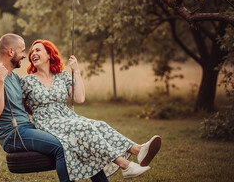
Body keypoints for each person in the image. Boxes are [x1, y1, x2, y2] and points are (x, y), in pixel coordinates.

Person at [20, 39, 162, 181]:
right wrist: (36, 110)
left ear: (50, 55)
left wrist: (76, 71)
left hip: (67, 117)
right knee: (85, 126)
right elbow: (22, 105)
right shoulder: (27, 81)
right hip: (47, 122)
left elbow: (80, 98)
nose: (33, 53)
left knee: (100, 125)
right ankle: (125, 165)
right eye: (32, 52)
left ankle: (138, 149)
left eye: (38, 50)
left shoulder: (62, 76)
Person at [0, 33, 110, 182]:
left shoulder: (15, 77)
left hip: (28, 127)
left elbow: (19, 106)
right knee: (63, 147)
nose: (25, 56)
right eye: (23, 51)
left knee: (77, 138)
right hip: (13, 134)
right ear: (11, 52)